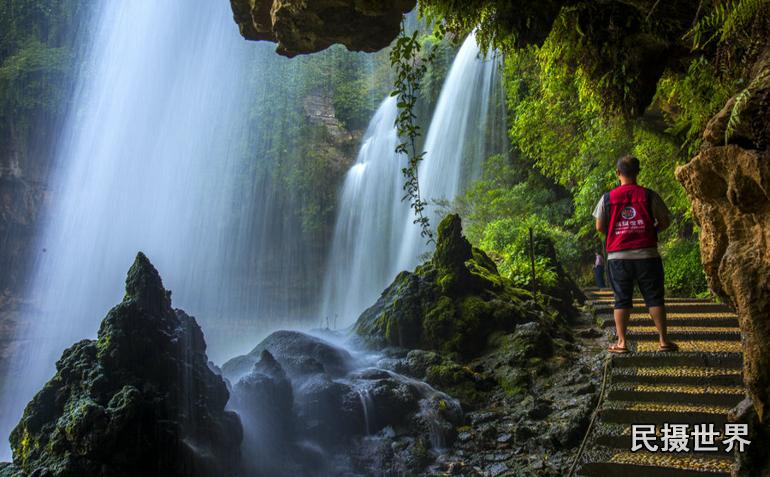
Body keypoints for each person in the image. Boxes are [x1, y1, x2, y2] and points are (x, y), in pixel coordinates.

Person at [593, 155, 678, 353]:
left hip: (618, 257)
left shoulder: (607, 198)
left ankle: (622, 343)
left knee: (621, 299)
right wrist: (651, 230)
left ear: (618, 173)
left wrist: (617, 232)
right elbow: (665, 220)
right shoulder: (649, 195)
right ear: (637, 172)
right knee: (654, 297)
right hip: (647, 254)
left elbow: (599, 226)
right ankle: (664, 340)